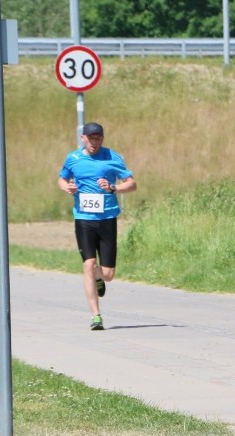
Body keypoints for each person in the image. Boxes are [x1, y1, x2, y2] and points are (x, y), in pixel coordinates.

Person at [58, 122, 137, 331]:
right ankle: (96, 316)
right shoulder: (73, 158)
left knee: (109, 274)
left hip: (107, 218)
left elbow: (132, 184)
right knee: (88, 264)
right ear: (83, 138)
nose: (94, 142)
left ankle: (100, 278)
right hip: (84, 218)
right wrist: (68, 187)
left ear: (102, 138)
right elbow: (62, 178)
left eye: (98, 138)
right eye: (90, 138)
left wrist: (113, 187)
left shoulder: (112, 157)